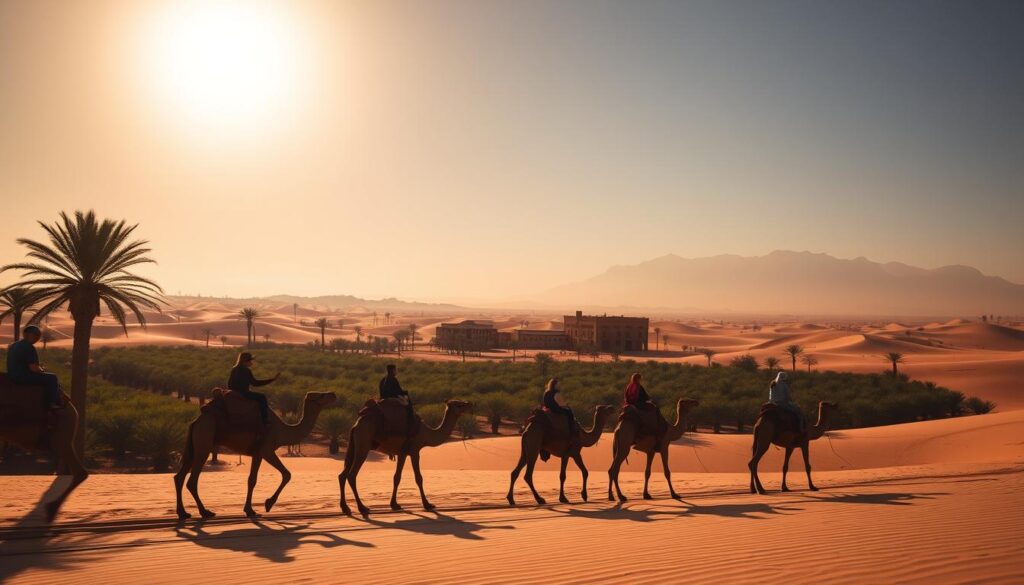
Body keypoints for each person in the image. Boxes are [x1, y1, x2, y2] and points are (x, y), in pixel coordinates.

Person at [5, 325, 62, 410]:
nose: (37, 337)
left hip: (13, 375)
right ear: (26, 334)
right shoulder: (29, 347)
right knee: (52, 378)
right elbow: (33, 368)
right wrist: (41, 370)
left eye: (38, 335)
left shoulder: (14, 345)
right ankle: (50, 403)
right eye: (35, 334)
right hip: (23, 376)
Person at [227, 352, 279, 425]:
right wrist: (271, 380)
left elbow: (229, 384)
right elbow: (255, 383)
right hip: (243, 393)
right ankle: (265, 420)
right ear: (245, 361)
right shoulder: (246, 370)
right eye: (250, 361)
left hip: (233, 393)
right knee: (262, 397)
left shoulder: (234, 369)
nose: (251, 362)